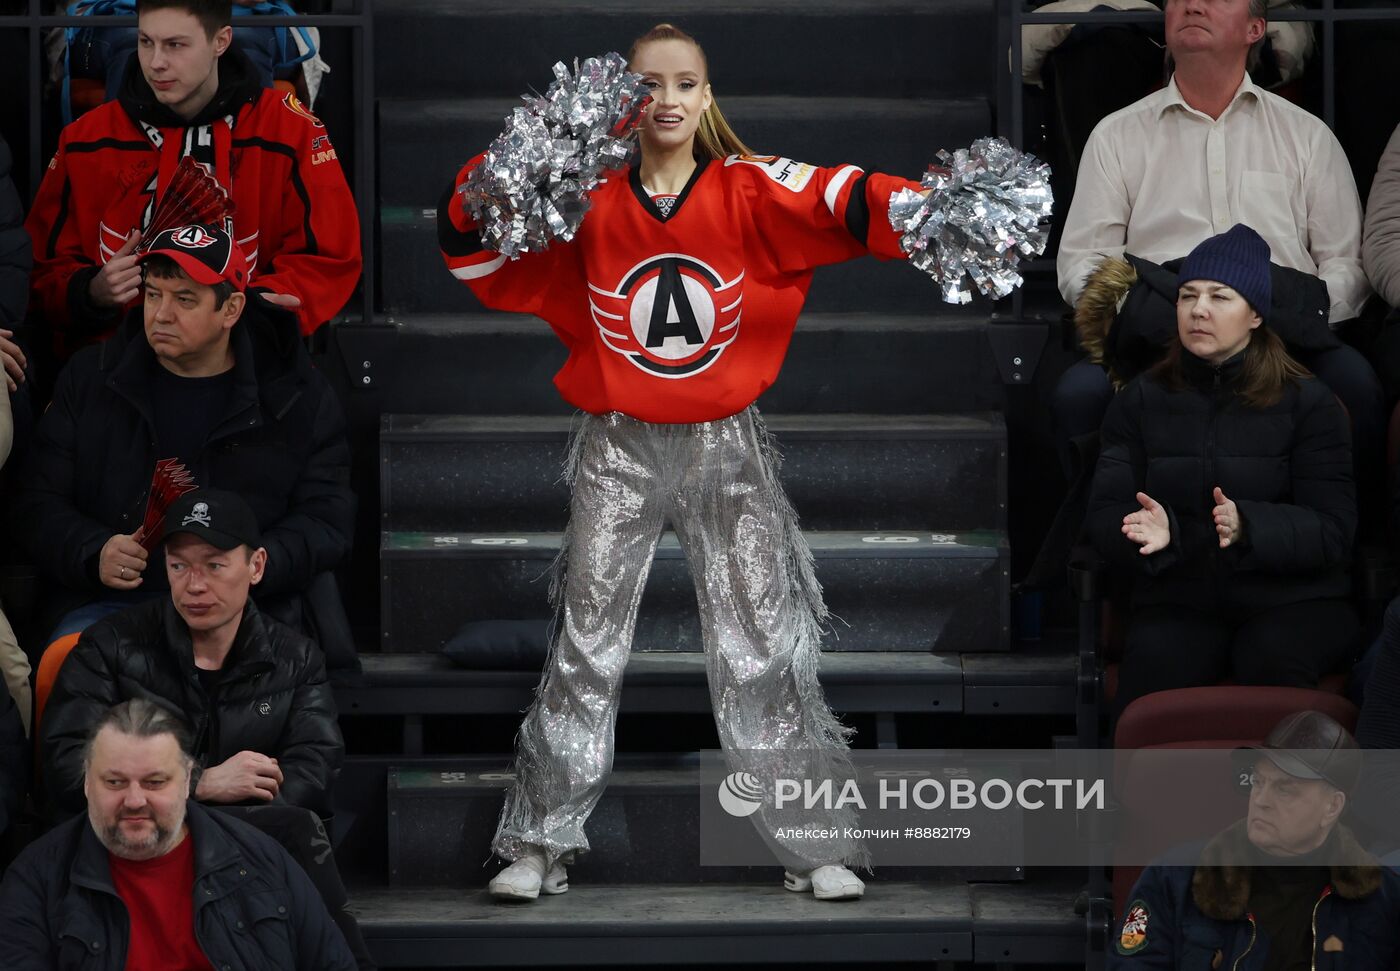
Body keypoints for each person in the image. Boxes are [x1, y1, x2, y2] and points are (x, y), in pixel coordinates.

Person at [440, 23, 950, 902]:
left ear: (709, 98)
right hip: (617, 445)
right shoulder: (585, 195)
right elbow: (471, 239)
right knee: (587, 644)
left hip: (726, 446)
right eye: (649, 84)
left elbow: (852, 199)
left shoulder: (749, 187)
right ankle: (538, 840)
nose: (668, 100)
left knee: (758, 641)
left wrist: (944, 209)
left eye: (686, 84)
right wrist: (530, 155)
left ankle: (810, 842)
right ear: (621, 99)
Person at [1052, 0, 1380, 501]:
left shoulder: (1306, 135)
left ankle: (1355, 557)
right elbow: (1083, 262)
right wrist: (1149, 314)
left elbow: (1346, 267)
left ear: (1255, 29)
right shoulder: (1117, 135)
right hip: (1161, 332)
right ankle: (1090, 565)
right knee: (1077, 395)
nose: (1193, 4)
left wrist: (1278, 316)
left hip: (1281, 334)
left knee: (1358, 386)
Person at [38, 487, 375, 968]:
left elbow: (313, 772)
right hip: (127, 837)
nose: (194, 585)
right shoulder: (108, 647)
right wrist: (199, 783)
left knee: (295, 834)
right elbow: (68, 767)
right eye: (179, 566)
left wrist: (208, 826)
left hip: (249, 848)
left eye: (214, 565)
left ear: (255, 566)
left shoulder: (296, 658)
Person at [9, 222, 355, 663]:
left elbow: (328, 519)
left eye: (184, 299)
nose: (161, 314)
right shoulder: (91, 377)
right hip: (110, 606)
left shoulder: (296, 394)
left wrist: (250, 565)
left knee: (272, 679)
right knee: (67, 668)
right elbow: (34, 502)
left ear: (230, 310)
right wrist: (92, 551)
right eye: (153, 294)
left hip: (251, 608)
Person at [1086, 225, 1357, 718]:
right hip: (1180, 594)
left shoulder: (1310, 403)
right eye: (1187, 296)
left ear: (1255, 314)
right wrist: (1147, 535)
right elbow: (1105, 513)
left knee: (1273, 659)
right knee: (1155, 671)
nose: (1198, 310)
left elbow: (1335, 531)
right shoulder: (1141, 400)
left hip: (1292, 599)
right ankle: (1135, 798)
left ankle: (1288, 796)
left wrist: (1250, 526)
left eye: (1219, 296)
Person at [25, 0, 359, 362]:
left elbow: (328, 256)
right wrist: (89, 291)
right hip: (118, 367)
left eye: (175, 45)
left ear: (221, 40)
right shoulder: (86, 138)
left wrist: (258, 310)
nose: (156, 63)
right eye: (146, 42)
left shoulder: (290, 130)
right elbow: (44, 266)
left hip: (252, 364)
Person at [0, 698, 357, 970]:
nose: (135, 800)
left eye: (155, 782)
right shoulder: (36, 879)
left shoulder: (264, 860)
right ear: (87, 782)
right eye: (114, 782)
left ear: (188, 780)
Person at [1108, 710, 1400, 968]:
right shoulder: (1175, 877)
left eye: (1285, 790)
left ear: (1332, 807)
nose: (1261, 800)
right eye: (1259, 782)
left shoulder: (1383, 898)